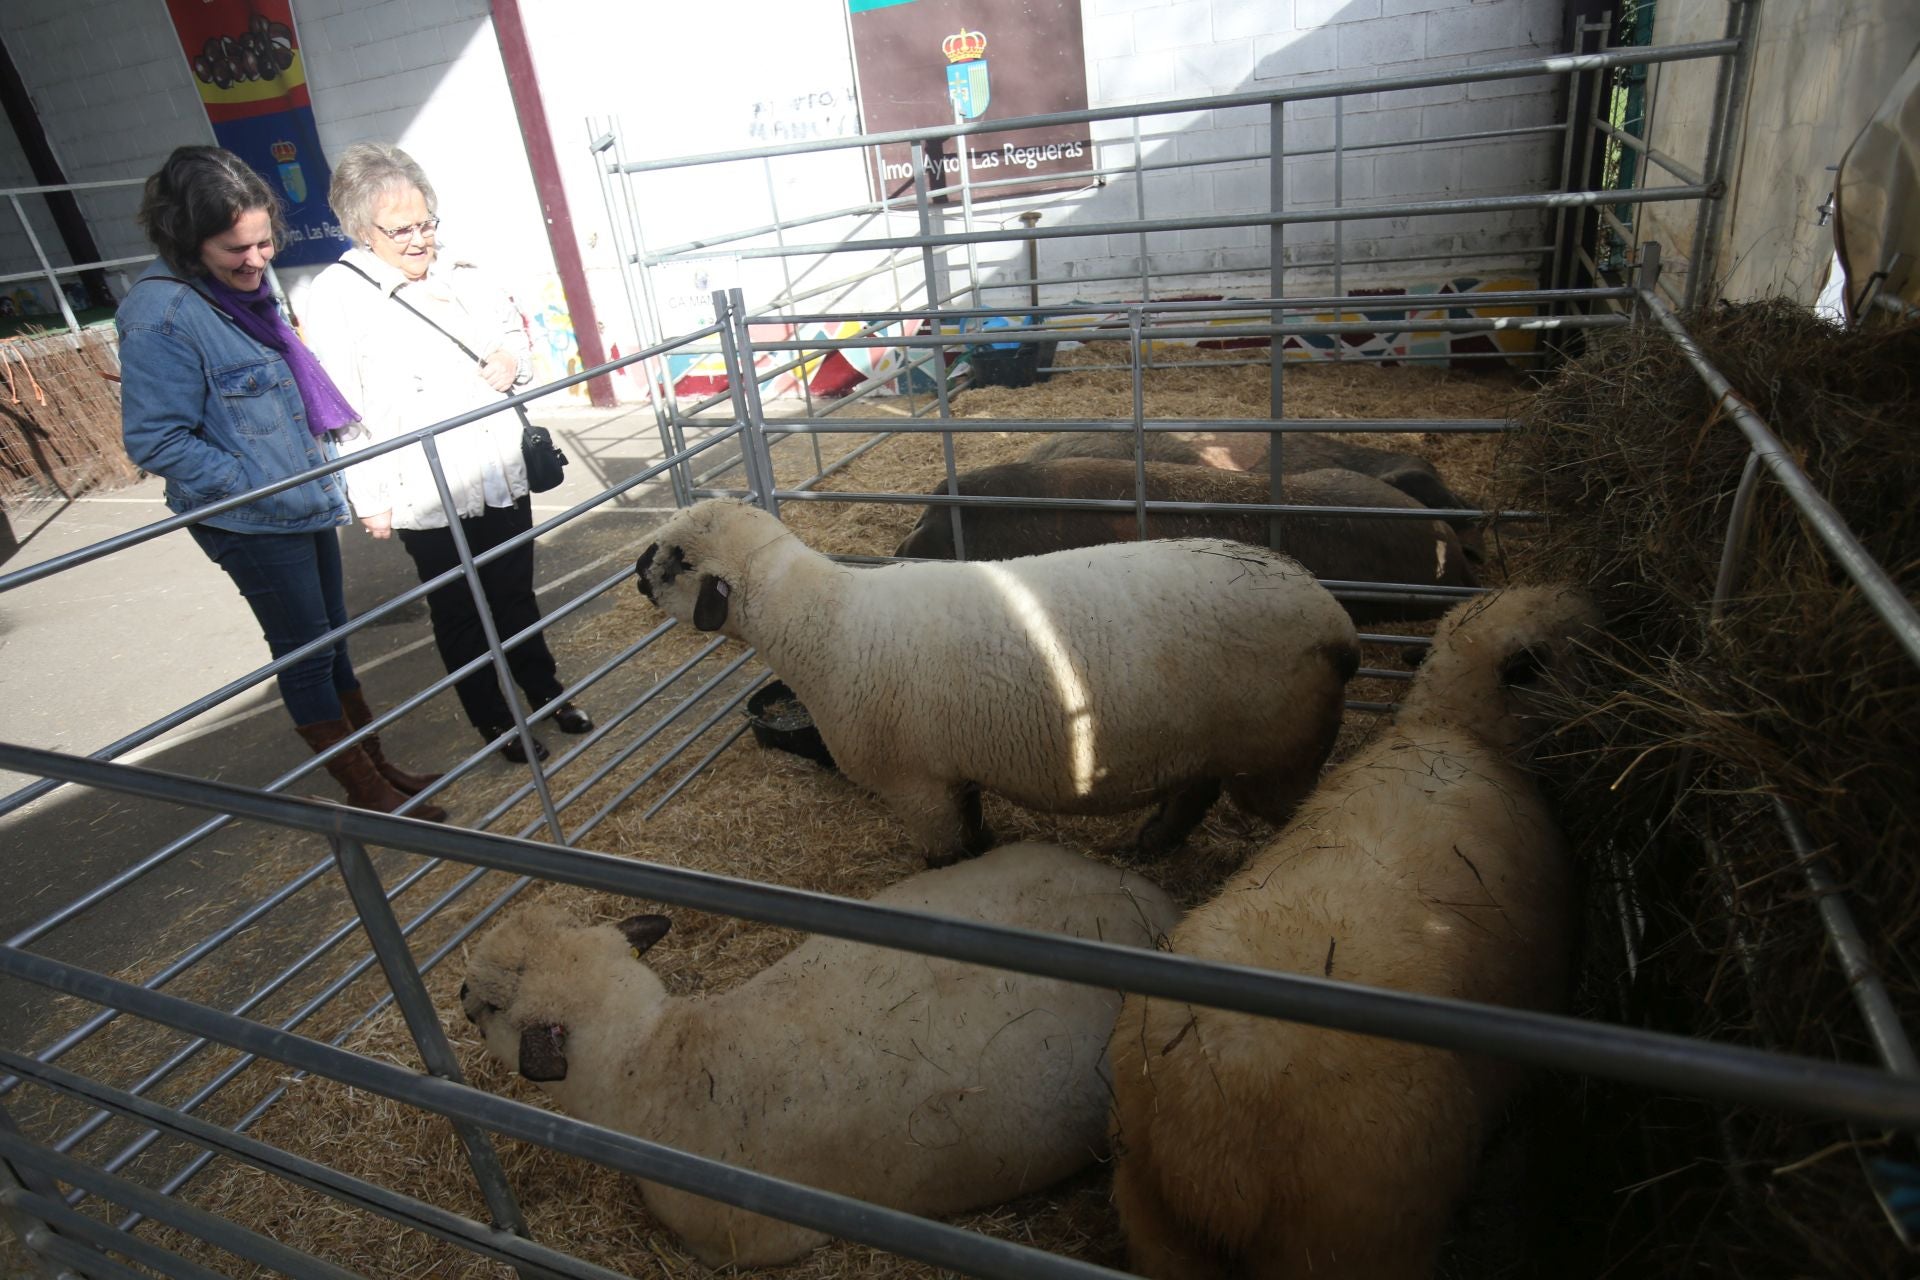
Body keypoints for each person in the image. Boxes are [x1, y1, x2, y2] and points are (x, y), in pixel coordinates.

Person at [117, 145, 445, 821]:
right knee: (303, 653)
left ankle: (378, 767)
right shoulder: (162, 316)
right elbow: (155, 438)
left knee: (330, 643)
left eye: (266, 242)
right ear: (186, 235)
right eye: (237, 247)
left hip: (301, 502)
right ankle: (365, 790)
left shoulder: (238, 289)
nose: (258, 260)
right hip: (252, 518)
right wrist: (249, 480)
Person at [303, 143, 590, 766]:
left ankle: (546, 693)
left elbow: (518, 338)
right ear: (359, 229)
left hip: (495, 464)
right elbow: (342, 411)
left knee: (515, 588)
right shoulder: (336, 297)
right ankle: (496, 722)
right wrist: (370, 498)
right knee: (460, 606)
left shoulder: (463, 272)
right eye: (399, 229)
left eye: (425, 222)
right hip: (423, 482)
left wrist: (513, 360)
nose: (417, 239)